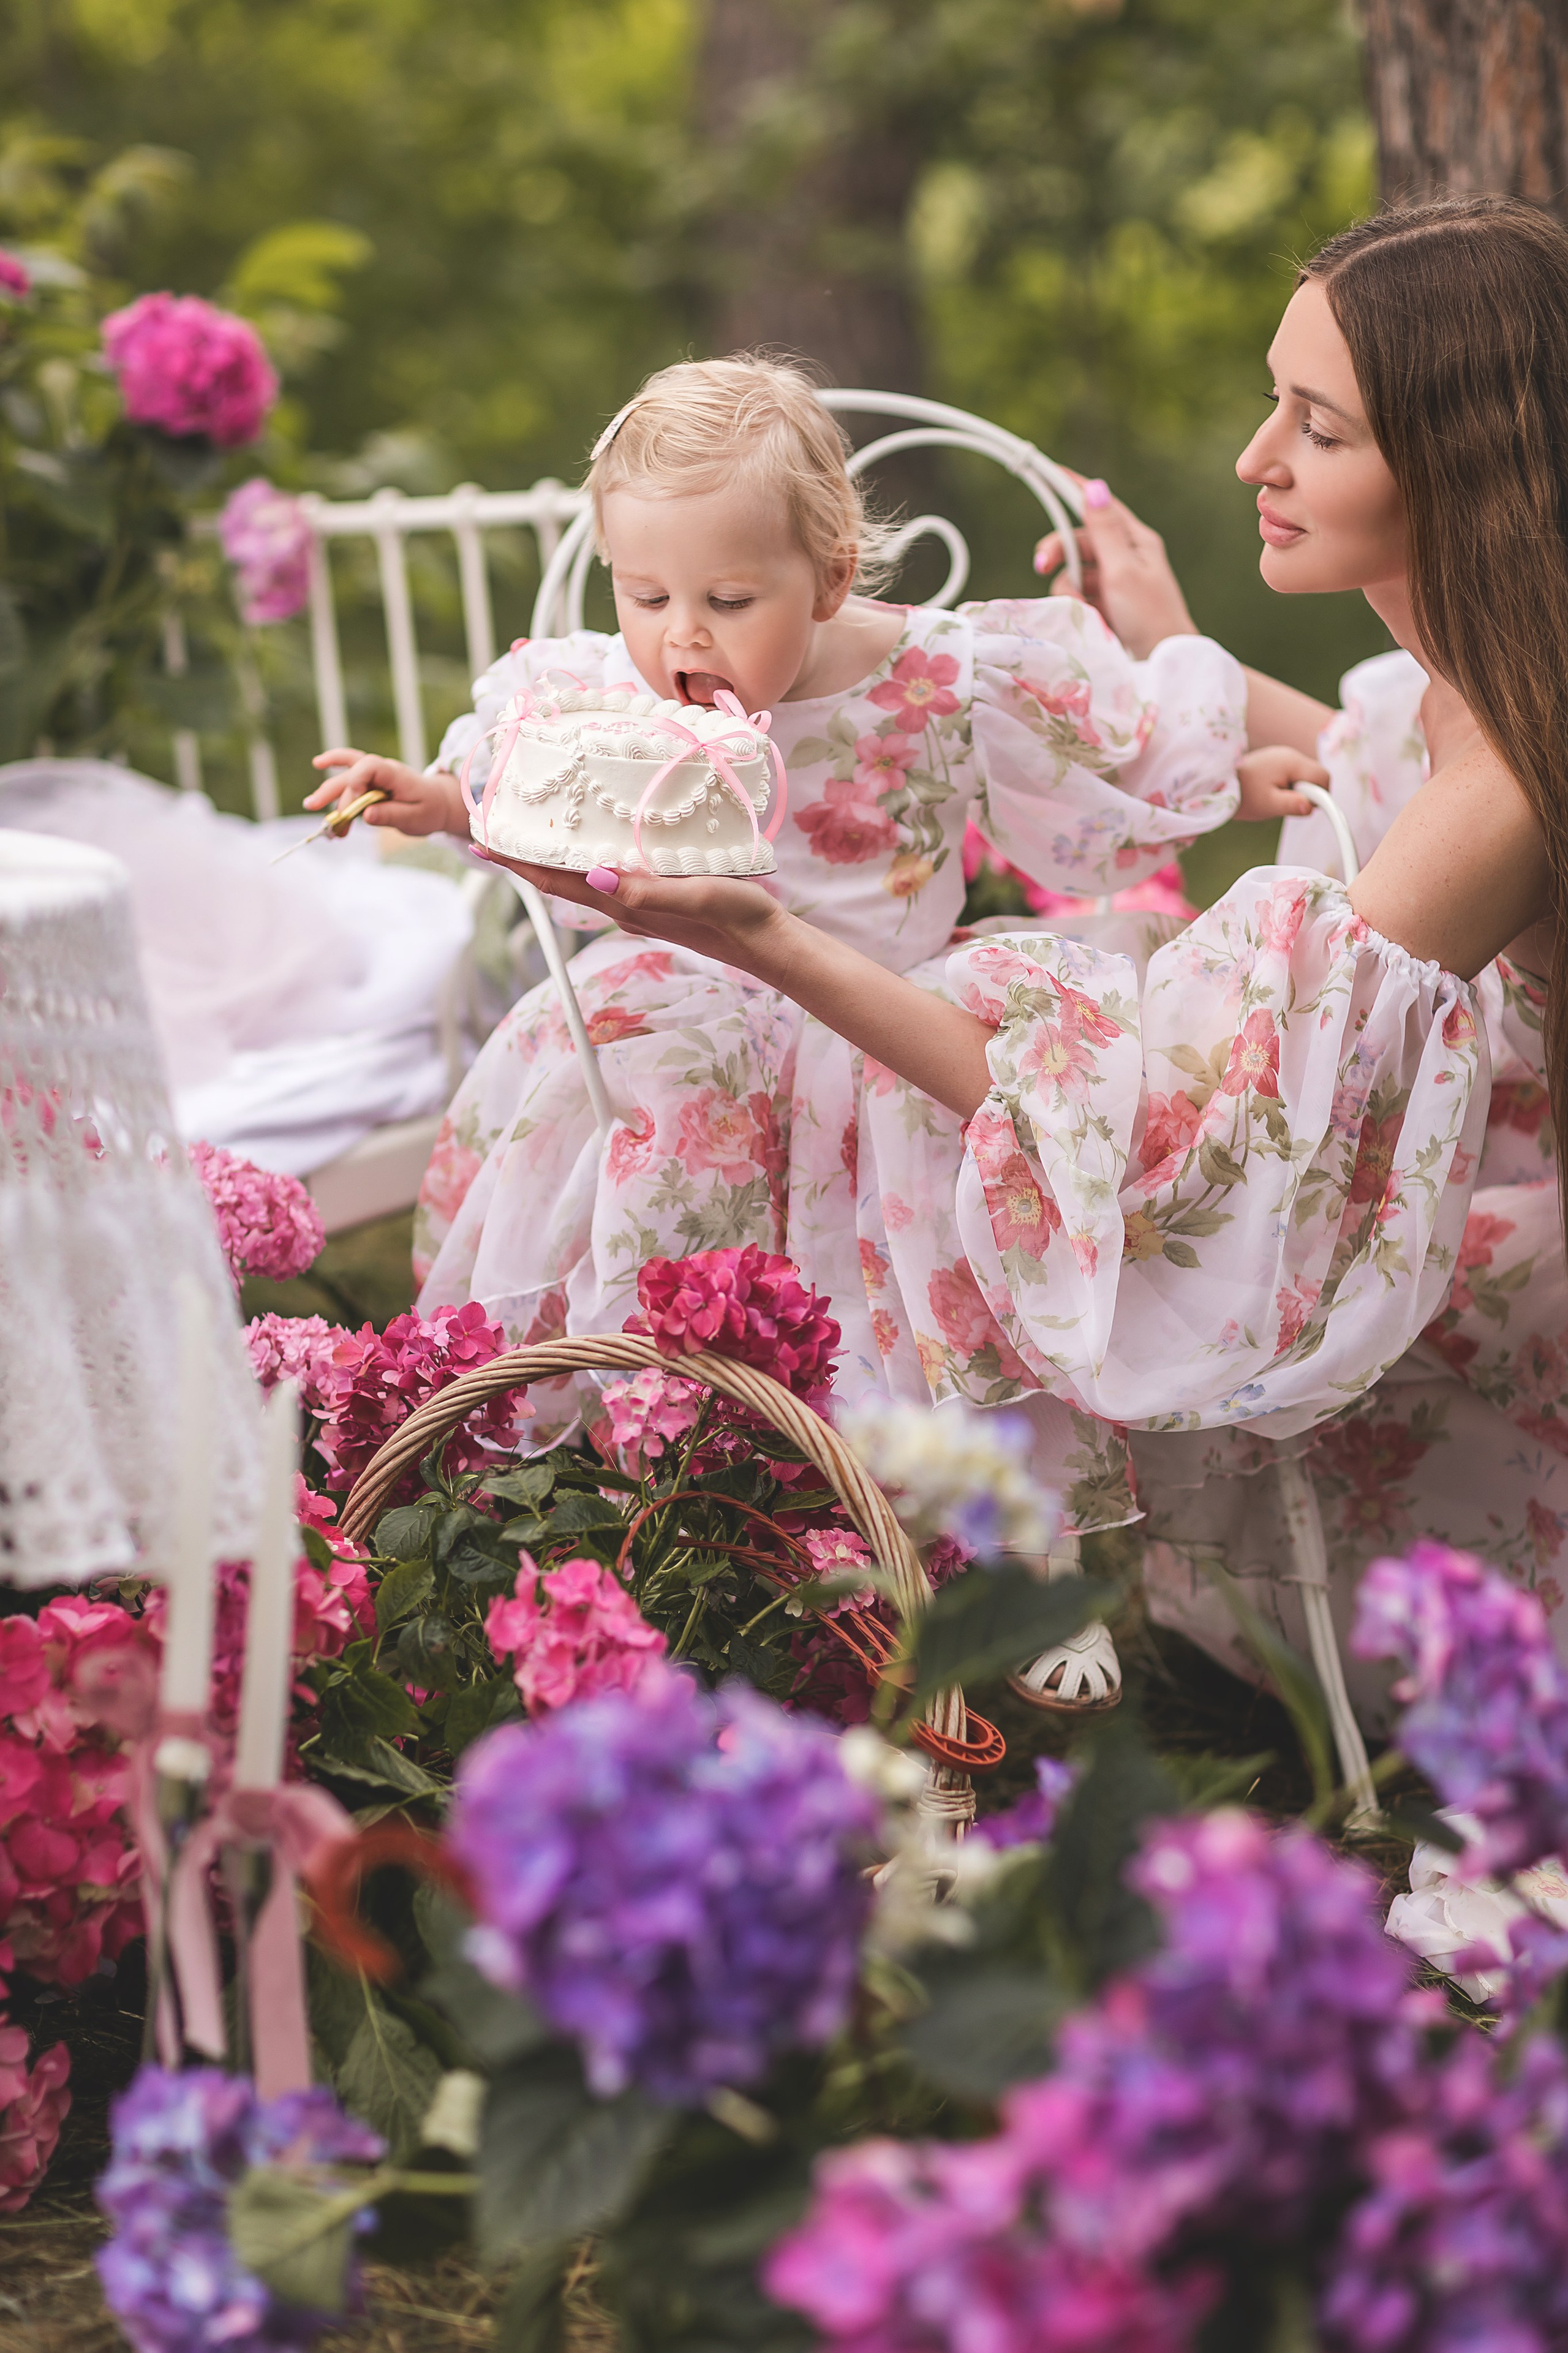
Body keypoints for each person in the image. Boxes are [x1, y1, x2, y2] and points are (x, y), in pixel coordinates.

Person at [442, 198, 1568, 1711]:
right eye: (1267, 398)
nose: (1253, 458)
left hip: (1509, 1228)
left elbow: (1176, 1155)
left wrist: (764, 934)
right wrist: (1168, 653)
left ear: (1458, 468)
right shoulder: (1461, 695)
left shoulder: (1509, 772)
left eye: (1316, 426)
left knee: (985, 1209)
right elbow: (1357, 763)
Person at [305, 353, 1262, 1710]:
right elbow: (536, 798)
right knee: (661, 1128)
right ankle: (671, 1519)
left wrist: (1224, 778)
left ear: (827, 573)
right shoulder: (610, 692)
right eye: (645, 596)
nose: (680, 635)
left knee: (952, 1210)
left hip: (887, 1008)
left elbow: (1106, 766)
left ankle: (1015, 1557)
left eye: (726, 599)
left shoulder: (937, 672)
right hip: (688, 1009)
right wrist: (440, 800)